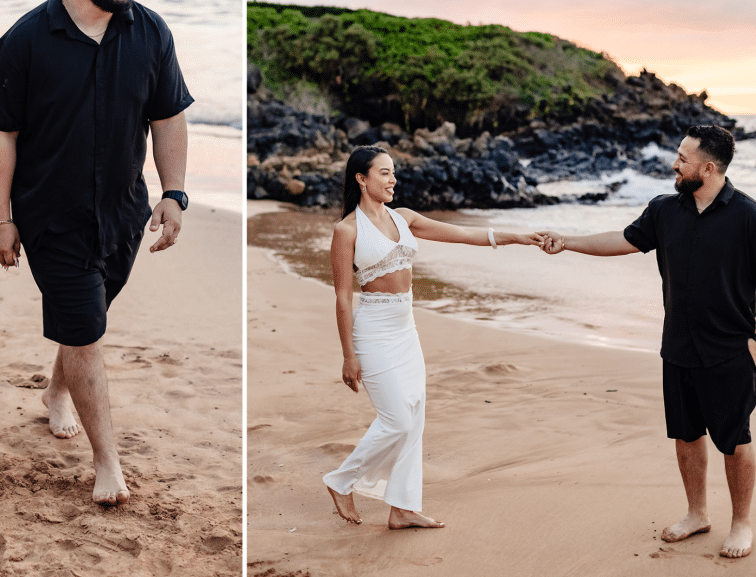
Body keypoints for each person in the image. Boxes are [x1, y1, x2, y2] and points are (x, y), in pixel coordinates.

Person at [0, 0, 192, 507]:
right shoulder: (24, 41)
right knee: (84, 332)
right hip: (52, 216)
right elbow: (3, 135)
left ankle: (55, 393)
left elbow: (168, 117)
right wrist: (0, 218)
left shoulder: (150, 30)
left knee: (85, 322)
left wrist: (174, 193)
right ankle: (108, 465)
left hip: (124, 214)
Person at [539, 125, 756, 559]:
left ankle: (742, 523)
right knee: (686, 434)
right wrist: (569, 242)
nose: (674, 164)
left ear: (708, 168)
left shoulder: (747, 216)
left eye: (683, 159)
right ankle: (697, 514)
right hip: (677, 345)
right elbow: (624, 240)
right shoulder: (663, 210)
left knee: (735, 440)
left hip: (730, 348)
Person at [324, 145, 543, 528]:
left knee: (415, 417)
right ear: (361, 179)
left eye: (394, 173)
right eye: (384, 173)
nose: (393, 180)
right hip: (373, 332)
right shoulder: (346, 230)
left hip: (405, 328)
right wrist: (348, 356)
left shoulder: (404, 217)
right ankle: (342, 481)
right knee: (397, 421)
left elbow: (462, 233)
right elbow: (343, 297)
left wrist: (517, 237)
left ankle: (402, 507)